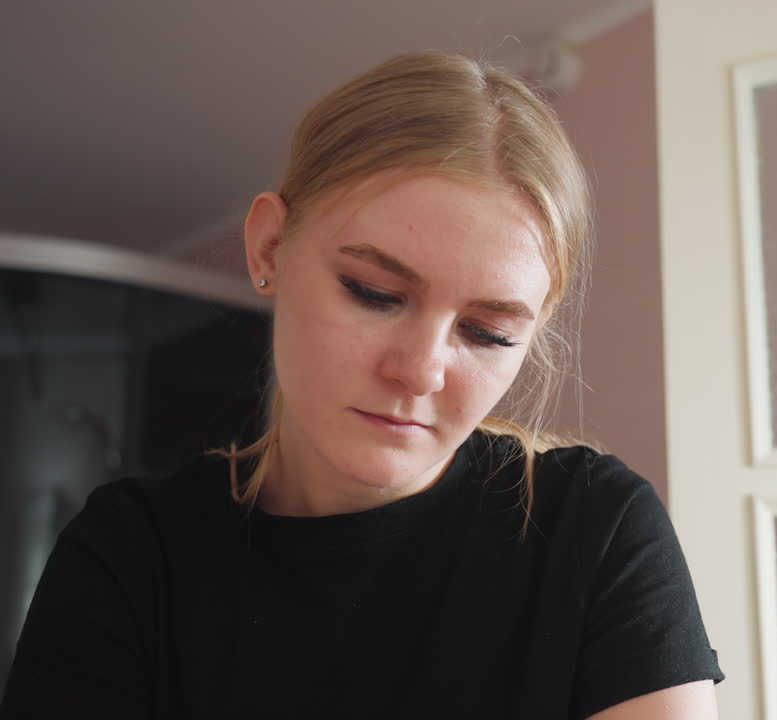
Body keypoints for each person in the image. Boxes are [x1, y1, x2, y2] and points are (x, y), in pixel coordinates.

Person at [0, 51, 723, 719]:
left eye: (489, 333)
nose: (419, 370)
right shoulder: (132, 558)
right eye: (374, 292)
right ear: (270, 248)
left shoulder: (596, 530)